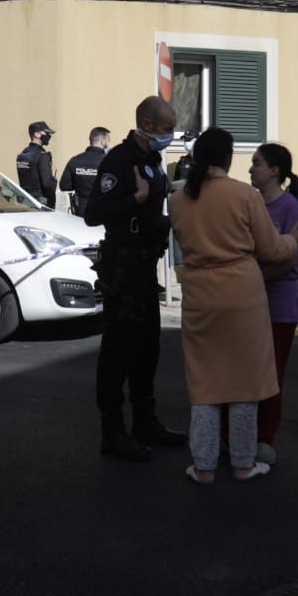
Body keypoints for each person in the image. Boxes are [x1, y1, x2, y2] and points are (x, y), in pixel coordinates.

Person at [168, 129, 298, 483]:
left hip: (199, 294)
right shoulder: (245, 195)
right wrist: (294, 240)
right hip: (243, 295)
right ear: (227, 158)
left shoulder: (178, 199)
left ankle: (204, 465)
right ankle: (244, 463)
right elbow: (272, 250)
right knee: (246, 382)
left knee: (205, 382)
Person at [84, 97, 187, 461]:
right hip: (124, 268)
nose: (169, 135)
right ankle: (112, 432)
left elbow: (150, 212)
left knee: (148, 349)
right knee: (118, 352)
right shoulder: (120, 160)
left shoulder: (151, 160)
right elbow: (93, 213)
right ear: (146, 122)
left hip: (145, 266)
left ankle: (146, 423)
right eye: (165, 128)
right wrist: (137, 197)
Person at [248, 142, 298, 466]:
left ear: (274, 170)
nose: (250, 168)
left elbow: (290, 259)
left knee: (272, 375)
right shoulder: (251, 204)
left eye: (256, 163)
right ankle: (243, 433)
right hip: (250, 303)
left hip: (279, 304)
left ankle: (265, 436)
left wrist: (256, 276)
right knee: (248, 372)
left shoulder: (290, 208)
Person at [58, 127, 110, 216]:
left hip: (81, 210)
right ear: (103, 141)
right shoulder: (109, 161)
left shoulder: (75, 160)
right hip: (102, 209)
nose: (108, 144)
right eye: (108, 141)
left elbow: (64, 186)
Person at [15, 121, 57, 208]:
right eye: (46, 133)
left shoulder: (22, 155)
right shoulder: (42, 156)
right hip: (41, 202)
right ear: (36, 134)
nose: (49, 136)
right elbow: (47, 184)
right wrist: (52, 201)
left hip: (25, 201)